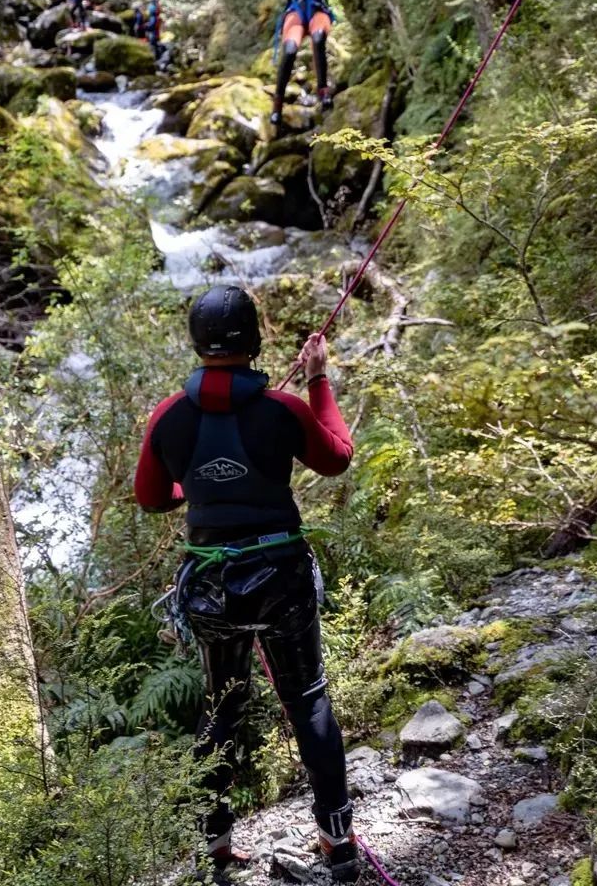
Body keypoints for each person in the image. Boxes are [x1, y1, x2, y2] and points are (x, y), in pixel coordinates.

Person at [134, 288, 360, 884]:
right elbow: (337, 456)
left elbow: (153, 497)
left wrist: (196, 490)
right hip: (281, 580)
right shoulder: (282, 409)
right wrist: (319, 381)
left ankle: (217, 844)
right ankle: (339, 843)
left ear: (195, 344)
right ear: (255, 341)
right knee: (307, 698)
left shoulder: (168, 417)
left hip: (212, 586)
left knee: (222, 706)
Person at [269, 0, 336, 134]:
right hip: (296, 13)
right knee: (289, 50)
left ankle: (323, 92)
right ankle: (277, 105)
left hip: (317, 11)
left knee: (318, 38)